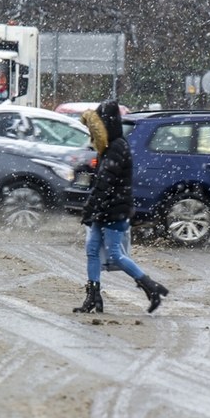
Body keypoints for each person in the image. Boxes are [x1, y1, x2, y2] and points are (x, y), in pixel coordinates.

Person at [74, 100, 168, 314]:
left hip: (115, 209)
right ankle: (93, 296)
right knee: (92, 251)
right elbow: (101, 181)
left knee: (116, 254)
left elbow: (105, 182)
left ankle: (150, 287)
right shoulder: (109, 146)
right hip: (105, 209)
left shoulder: (117, 146)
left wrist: (89, 208)